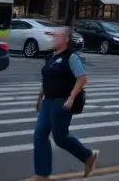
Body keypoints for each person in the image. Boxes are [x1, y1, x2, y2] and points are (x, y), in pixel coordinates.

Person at [34, 27, 99, 180]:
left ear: (65, 40)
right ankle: (43, 174)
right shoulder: (50, 57)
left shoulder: (71, 57)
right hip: (48, 102)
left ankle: (88, 155)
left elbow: (82, 79)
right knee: (39, 135)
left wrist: (71, 98)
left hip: (61, 103)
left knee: (60, 138)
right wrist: (39, 99)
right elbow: (46, 81)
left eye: (57, 36)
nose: (53, 38)